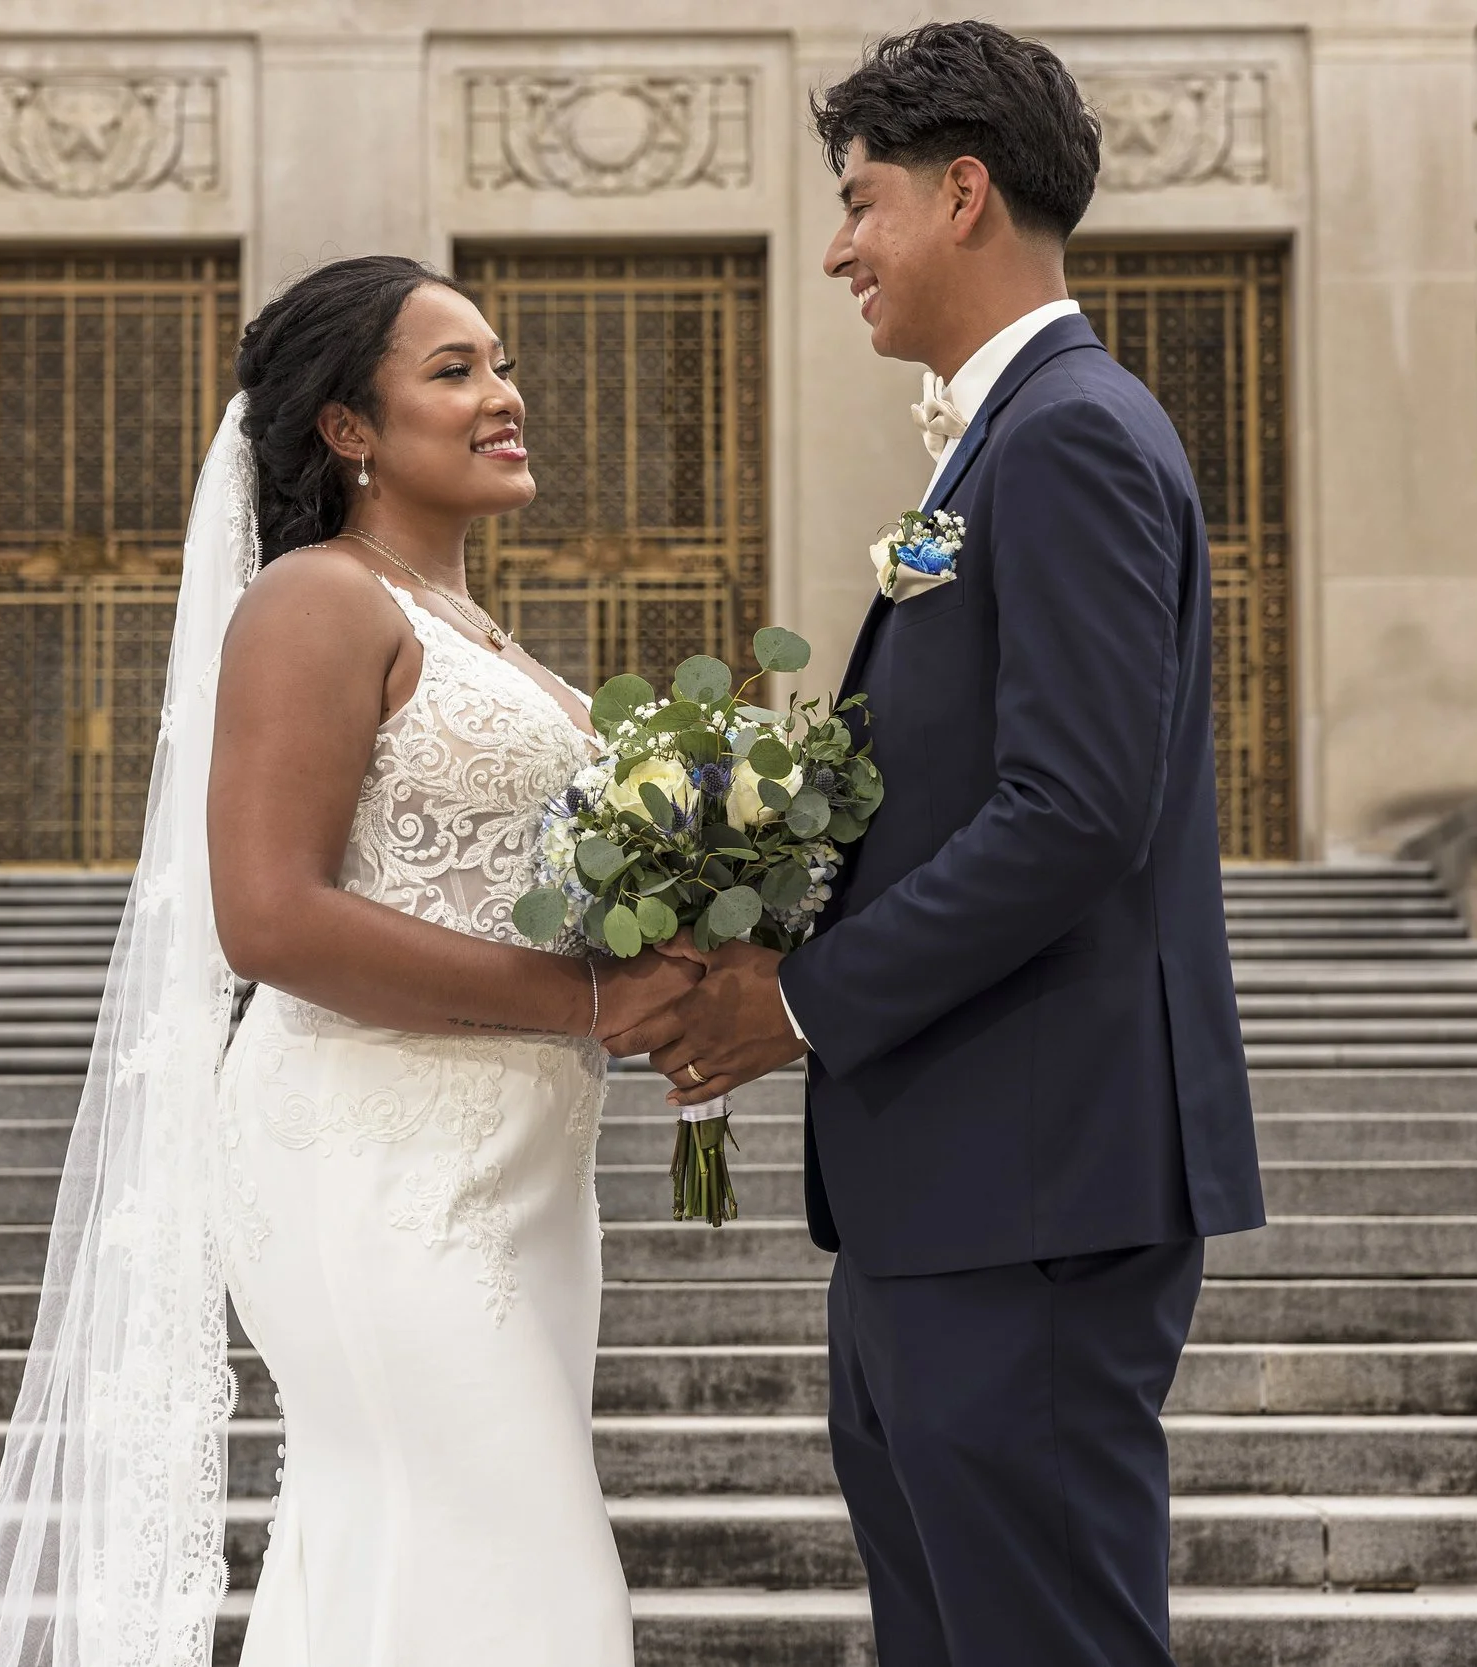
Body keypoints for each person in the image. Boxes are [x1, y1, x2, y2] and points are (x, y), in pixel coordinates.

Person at [606, 23, 1266, 1667]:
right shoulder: (1003, 437)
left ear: (964, 194)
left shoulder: (1071, 435)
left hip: (1027, 1180)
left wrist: (801, 1001)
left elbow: (1077, 808)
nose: (838, 246)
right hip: (953, 1183)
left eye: (861, 200)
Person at [0, 255, 695, 1667]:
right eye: (455, 370)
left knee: (404, 1566)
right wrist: (588, 998)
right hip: (372, 1161)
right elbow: (270, 919)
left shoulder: (475, 630)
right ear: (347, 429)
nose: (505, 395)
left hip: (521, 1170)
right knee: (531, 1589)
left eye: (502, 361)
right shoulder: (317, 601)